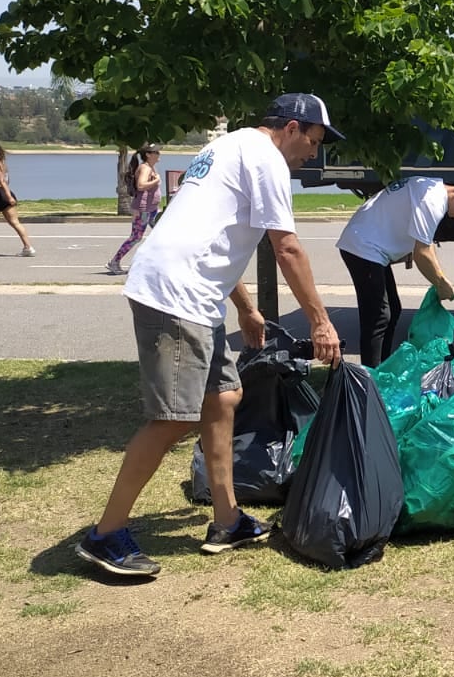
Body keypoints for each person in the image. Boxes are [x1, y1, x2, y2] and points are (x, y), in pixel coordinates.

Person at [75, 93, 345, 579]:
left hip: (195, 294)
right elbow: (286, 247)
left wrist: (247, 309)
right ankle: (105, 535)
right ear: (289, 127)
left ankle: (227, 520)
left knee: (224, 397)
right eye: (313, 140)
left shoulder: (231, 146)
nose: (313, 152)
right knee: (173, 419)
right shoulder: (265, 159)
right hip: (175, 296)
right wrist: (321, 322)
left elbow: (211, 232)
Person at [336, 176, 454, 366]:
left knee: (393, 309)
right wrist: (441, 283)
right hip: (363, 246)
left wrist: (440, 277)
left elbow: (426, 242)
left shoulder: (433, 189)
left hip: (371, 247)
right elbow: (422, 254)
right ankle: (370, 380)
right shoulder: (432, 201)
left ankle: (382, 368)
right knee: (378, 318)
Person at [106, 144, 162, 274]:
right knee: (136, 237)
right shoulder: (145, 168)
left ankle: (155, 264)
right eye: (156, 152)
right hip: (143, 210)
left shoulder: (151, 167)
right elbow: (141, 185)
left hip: (152, 209)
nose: (159, 154)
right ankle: (114, 262)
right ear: (148, 154)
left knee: (161, 233)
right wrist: (156, 180)